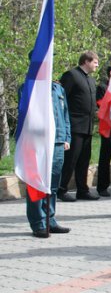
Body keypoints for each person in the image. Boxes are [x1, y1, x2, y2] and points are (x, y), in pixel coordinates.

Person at [24, 80, 72, 237]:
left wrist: (67, 137)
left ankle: (50, 220)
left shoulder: (58, 88)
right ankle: (38, 223)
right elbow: (26, 114)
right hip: (38, 143)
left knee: (52, 185)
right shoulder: (29, 86)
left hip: (58, 142)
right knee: (37, 184)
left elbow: (65, 114)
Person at [58, 50, 100, 202]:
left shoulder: (90, 80)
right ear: (86, 61)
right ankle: (61, 189)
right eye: (95, 62)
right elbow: (61, 100)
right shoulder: (71, 75)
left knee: (84, 160)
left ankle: (82, 190)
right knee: (71, 160)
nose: (97, 65)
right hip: (74, 126)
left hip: (88, 127)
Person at [96, 65, 111, 197]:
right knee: (105, 157)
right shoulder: (102, 87)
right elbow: (100, 104)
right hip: (107, 126)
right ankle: (102, 186)